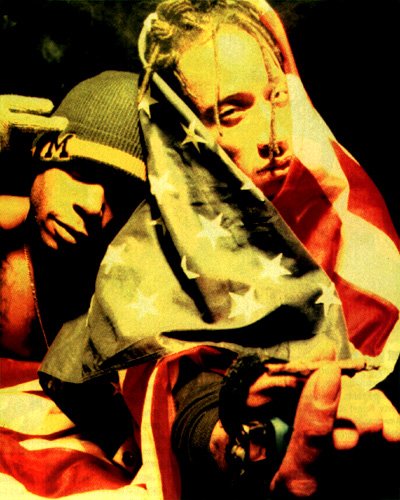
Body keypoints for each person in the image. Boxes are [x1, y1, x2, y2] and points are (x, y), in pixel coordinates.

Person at [37, 1, 400, 498]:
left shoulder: (331, 205)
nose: (272, 136)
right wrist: (46, 177)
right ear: (181, 130)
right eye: (232, 111)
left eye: (276, 98)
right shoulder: (157, 216)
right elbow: (168, 366)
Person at [0, 70, 147, 360]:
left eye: (121, 192)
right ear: (41, 160)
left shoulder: (141, 284)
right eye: (84, 172)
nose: (94, 205)